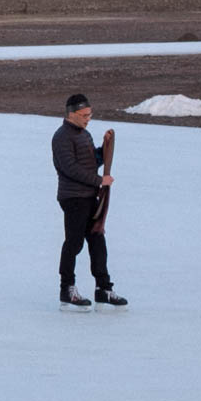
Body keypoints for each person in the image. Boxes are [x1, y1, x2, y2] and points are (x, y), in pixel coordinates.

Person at [52, 92, 126, 309]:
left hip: (89, 196)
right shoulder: (62, 137)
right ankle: (67, 288)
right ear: (72, 114)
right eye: (84, 115)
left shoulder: (84, 134)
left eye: (90, 114)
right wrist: (99, 180)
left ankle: (103, 288)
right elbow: (70, 169)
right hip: (73, 197)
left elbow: (91, 160)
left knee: (97, 241)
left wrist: (105, 149)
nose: (88, 118)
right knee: (74, 243)